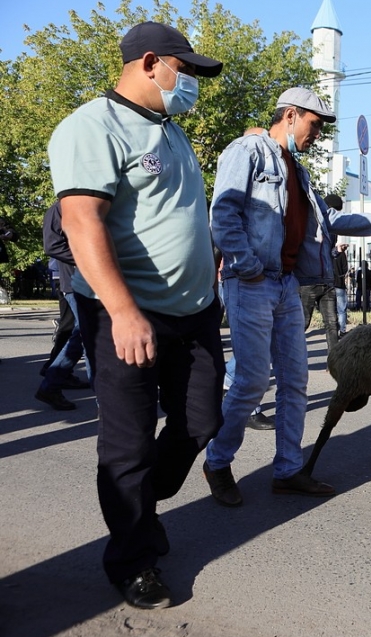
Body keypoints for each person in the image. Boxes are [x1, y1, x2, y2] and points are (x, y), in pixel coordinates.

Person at [49, 21, 225, 609]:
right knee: (126, 446)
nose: (194, 83)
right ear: (151, 62)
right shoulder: (91, 127)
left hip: (195, 313)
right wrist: (123, 311)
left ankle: (144, 503)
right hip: (127, 315)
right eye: (188, 70)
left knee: (200, 422)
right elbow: (82, 222)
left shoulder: (171, 131)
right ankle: (133, 558)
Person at [205, 87, 371, 507]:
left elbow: (330, 220)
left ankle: (288, 470)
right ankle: (218, 460)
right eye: (314, 125)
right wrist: (246, 263)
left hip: (288, 284)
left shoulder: (299, 171)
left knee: (295, 382)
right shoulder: (248, 151)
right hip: (251, 281)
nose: (317, 135)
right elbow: (223, 213)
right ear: (291, 115)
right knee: (252, 380)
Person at [35, 201, 91, 411]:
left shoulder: (92, 202)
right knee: (88, 334)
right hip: (75, 282)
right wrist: (92, 259)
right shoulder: (61, 207)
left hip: (89, 281)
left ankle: (53, 383)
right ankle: (54, 383)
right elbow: (52, 245)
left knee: (84, 334)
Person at [297, 192, 344, 348]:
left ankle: (333, 361)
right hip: (308, 281)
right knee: (302, 322)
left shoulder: (333, 229)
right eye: (335, 210)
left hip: (327, 280)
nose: (336, 215)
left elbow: (328, 252)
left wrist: (336, 252)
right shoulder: (310, 222)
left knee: (332, 323)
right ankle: (287, 357)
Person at [333, 242, 350, 334]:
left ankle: (333, 331)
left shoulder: (330, 254)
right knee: (341, 309)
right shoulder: (342, 256)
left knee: (332, 309)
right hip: (339, 284)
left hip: (330, 284)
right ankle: (342, 330)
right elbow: (345, 270)